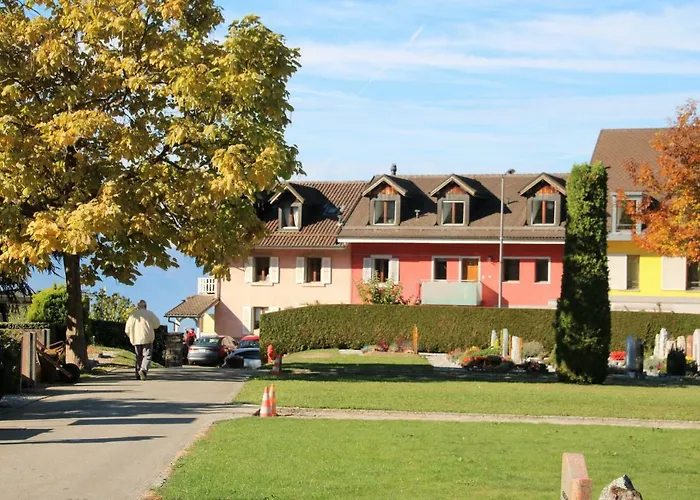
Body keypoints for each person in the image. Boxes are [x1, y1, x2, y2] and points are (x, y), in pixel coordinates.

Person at [125, 300, 161, 380]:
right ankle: (143, 370)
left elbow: (127, 329)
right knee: (147, 356)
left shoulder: (133, 315)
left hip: (136, 339)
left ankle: (138, 373)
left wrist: (131, 336)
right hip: (147, 338)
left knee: (138, 356)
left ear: (138, 306)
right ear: (146, 306)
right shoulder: (150, 314)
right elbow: (157, 324)